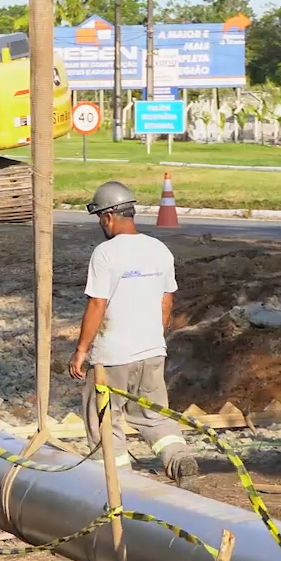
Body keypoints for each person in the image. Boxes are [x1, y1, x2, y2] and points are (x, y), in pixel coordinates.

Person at [67, 180, 198, 483]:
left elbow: (97, 304)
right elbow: (167, 300)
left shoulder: (106, 253)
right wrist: (155, 336)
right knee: (153, 415)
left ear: (109, 216)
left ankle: (119, 483)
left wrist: (82, 350)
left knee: (103, 419)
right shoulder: (159, 249)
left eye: (101, 217)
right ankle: (179, 459)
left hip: (112, 357)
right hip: (152, 350)